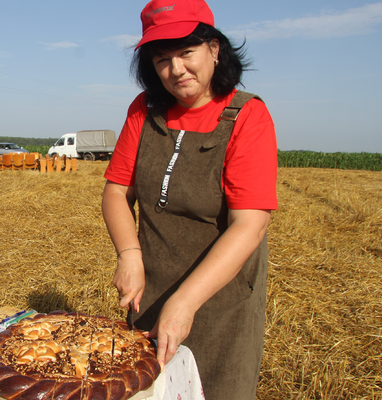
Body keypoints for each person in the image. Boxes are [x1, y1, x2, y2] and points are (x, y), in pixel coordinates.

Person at [102, 1, 277, 399]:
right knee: (149, 387)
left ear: (214, 49)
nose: (175, 69)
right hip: (152, 287)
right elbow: (116, 191)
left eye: (186, 53)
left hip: (220, 296)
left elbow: (251, 223)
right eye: (162, 59)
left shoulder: (247, 116)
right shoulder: (144, 111)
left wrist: (185, 302)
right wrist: (129, 253)